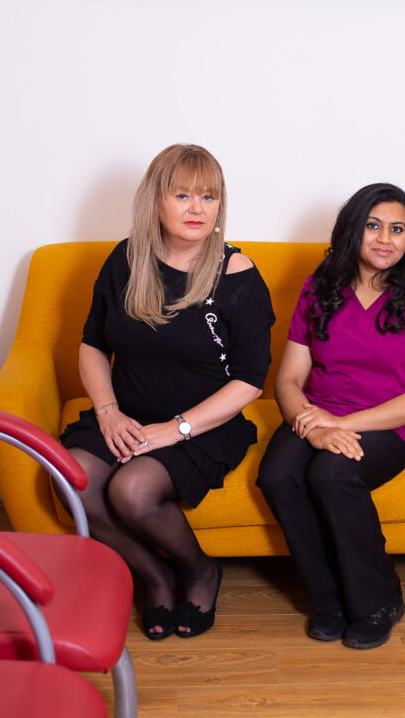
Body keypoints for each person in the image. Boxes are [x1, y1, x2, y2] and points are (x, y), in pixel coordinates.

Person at [61, 144, 274, 640]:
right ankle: (153, 575)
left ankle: (200, 570)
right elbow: (92, 344)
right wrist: (109, 412)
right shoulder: (126, 259)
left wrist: (174, 430)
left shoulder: (238, 276)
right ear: (155, 200)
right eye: (182, 195)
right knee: (74, 479)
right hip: (126, 413)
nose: (197, 208)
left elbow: (249, 380)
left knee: (131, 489)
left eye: (208, 196)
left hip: (201, 425)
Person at [257, 183, 405, 650]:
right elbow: (287, 381)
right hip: (320, 411)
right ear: (353, 230)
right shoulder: (320, 284)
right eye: (373, 226)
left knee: (331, 474)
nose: (385, 239)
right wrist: (313, 421)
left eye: (397, 229)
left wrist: (339, 427)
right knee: (277, 474)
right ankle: (328, 600)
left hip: (395, 420)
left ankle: (377, 600)